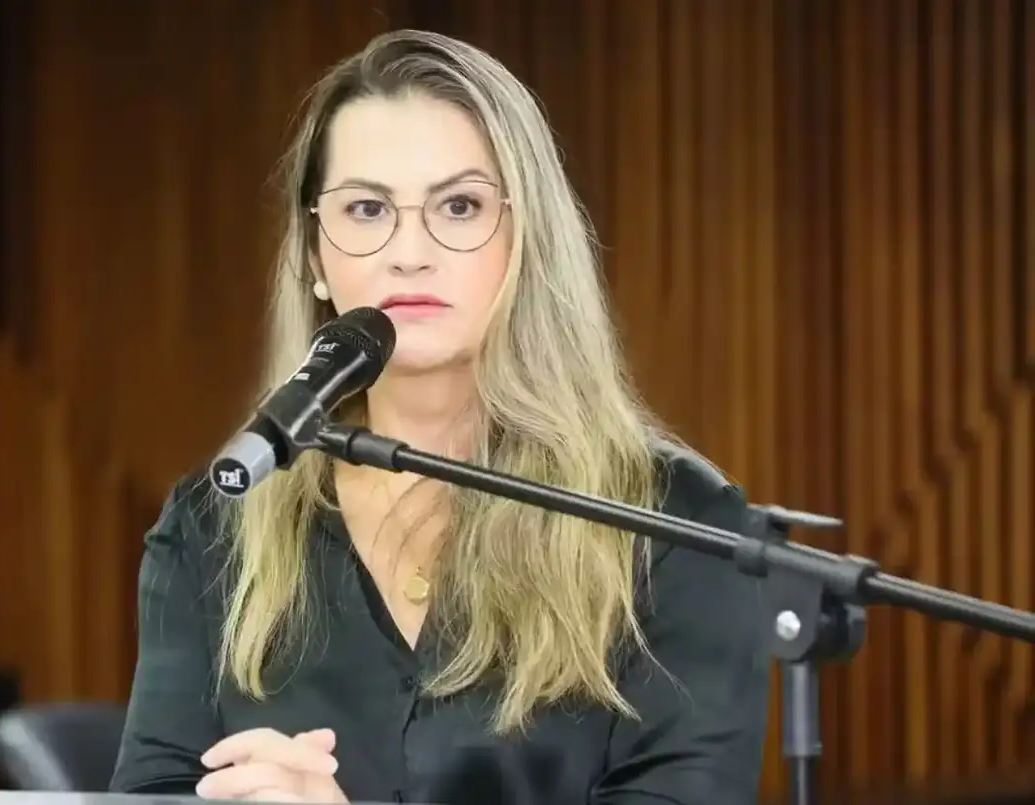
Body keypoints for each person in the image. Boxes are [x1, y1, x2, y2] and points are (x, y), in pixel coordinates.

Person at [111, 28, 770, 805]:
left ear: (527, 239)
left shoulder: (675, 526)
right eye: (367, 208)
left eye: (459, 206)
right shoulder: (212, 526)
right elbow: (154, 790)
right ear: (316, 254)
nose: (410, 251)